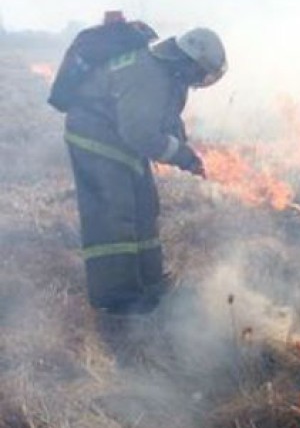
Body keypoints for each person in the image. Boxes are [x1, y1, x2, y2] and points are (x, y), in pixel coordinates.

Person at [60, 18, 226, 315]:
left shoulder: (166, 72)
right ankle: (117, 298)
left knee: (145, 207)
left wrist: (185, 147)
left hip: (120, 141)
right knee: (115, 212)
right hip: (95, 136)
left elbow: (162, 118)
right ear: (187, 60)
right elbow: (139, 133)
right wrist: (183, 157)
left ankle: (148, 283)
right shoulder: (148, 73)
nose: (198, 80)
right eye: (199, 73)